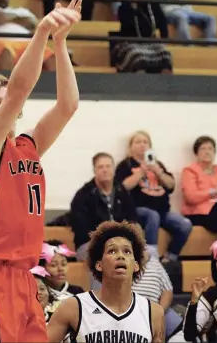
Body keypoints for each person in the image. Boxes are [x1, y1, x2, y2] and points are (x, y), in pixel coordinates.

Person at [0, 0, 82, 342]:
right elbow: (19, 91)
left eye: (4, 102)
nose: (6, 106)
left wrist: (61, 42)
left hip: (25, 280)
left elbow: (68, 106)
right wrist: (41, 32)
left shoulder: (28, 146)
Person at [47, 221, 165, 343]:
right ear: (99, 265)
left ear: (136, 265)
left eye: (127, 251)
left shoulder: (154, 312)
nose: (120, 256)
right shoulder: (73, 307)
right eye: (112, 251)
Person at [115, 131, 192, 263]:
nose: (142, 145)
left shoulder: (158, 164)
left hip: (162, 211)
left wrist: (158, 172)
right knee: (152, 215)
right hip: (137, 210)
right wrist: (141, 172)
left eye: (145, 142)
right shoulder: (125, 165)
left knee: (185, 224)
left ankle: (170, 257)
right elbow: (122, 188)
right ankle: (151, 258)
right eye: (138, 142)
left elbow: (171, 185)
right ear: (131, 147)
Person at [69, 152, 137, 289]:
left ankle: (140, 301)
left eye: (108, 166)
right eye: (100, 167)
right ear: (94, 170)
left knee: (149, 252)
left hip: (120, 242)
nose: (105, 170)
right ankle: (100, 304)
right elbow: (81, 230)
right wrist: (105, 241)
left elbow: (133, 220)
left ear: (113, 169)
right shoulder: (83, 195)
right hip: (90, 244)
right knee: (101, 257)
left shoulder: (122, 191)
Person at [112, 0, 173, 74]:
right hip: (130, 42)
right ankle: (140, 84)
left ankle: (165, 84)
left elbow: (162, 21)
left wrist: (164, 38)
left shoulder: (153, 5)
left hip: (149, 42)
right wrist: (133, 8)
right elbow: (126, 24)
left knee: (165, 54)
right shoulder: (126, 6)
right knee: (137, 56)